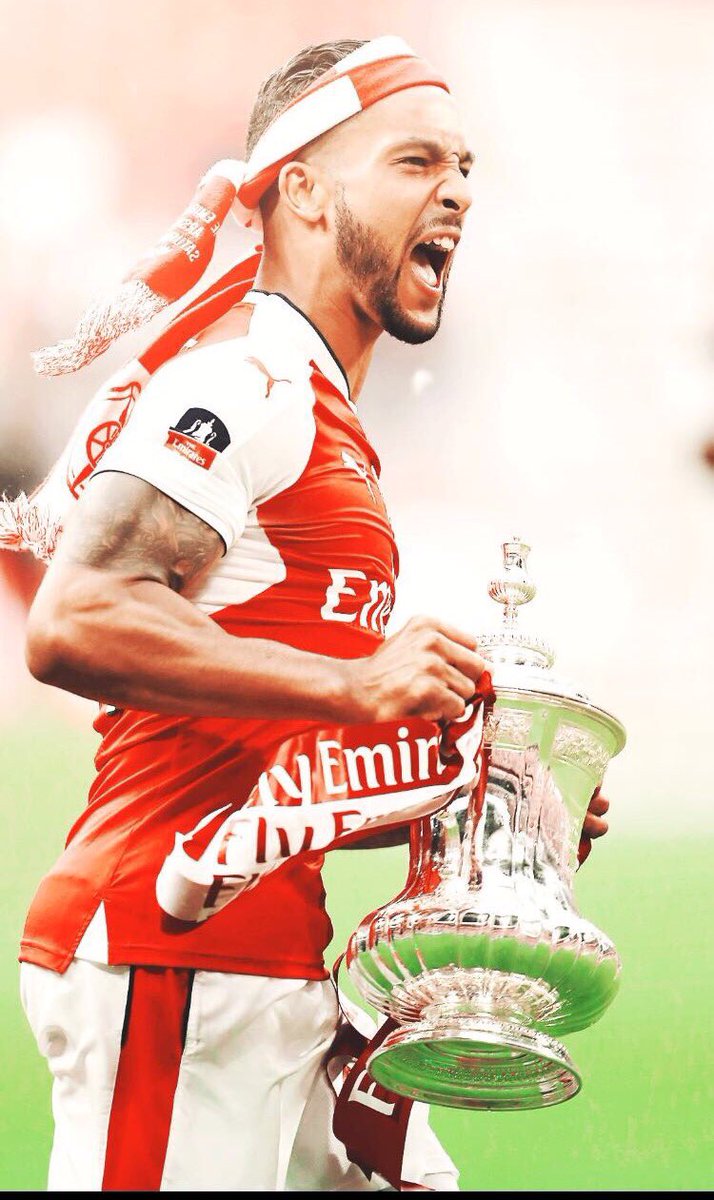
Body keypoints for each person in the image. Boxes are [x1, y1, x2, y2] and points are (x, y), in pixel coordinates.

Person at [17, 36, 609, 1193]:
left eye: (466, 166)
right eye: (416, 161)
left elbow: (270, 766)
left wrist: (481, 811)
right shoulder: (244, 386)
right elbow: (76, 617)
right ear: (302, 190)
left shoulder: (328, 427)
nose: (458, 191)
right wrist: (354, 682)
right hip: (170, 958)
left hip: (265, 961)